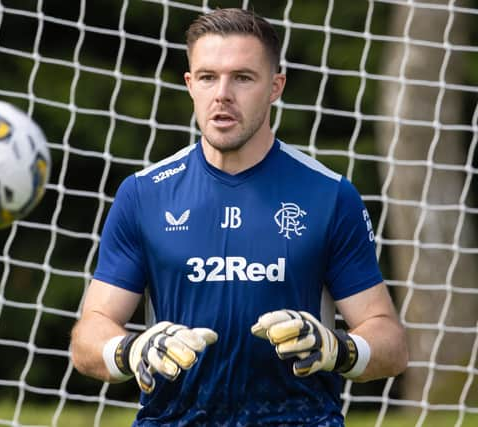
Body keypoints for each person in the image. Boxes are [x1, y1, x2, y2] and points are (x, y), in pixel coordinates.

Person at [71, 7, 408, 426]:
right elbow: (89, 336)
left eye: (243, 78)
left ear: (275, 86)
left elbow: (390, 341)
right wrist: (132, 350)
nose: (222, 94)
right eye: (208, 77)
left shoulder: (328, 195)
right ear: (190, 85)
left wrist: (337, 348)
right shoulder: (144, 194)